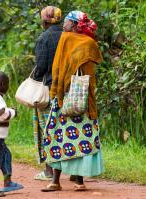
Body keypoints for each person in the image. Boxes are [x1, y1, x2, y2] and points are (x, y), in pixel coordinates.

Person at [41, 11, 104, 192]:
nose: (64, 25)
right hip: (82, 97)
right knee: (82, 137)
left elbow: (59, 67)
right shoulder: (89, 43)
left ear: (76, 25)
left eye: (68, 22)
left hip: (64, 96)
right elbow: (90, 73)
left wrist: (57, 91)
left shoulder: (66, 39)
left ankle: (56, 181)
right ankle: (79, 181)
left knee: (57, 135)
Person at [32, 5, 63, 181]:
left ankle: (49, 171)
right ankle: (74, 172)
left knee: (47, 128)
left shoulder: (44, 38)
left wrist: (35, 76)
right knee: (65, 127)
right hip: (68, 90)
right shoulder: (69, 36)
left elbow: (41, 67)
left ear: (44, 20)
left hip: (49, 89)